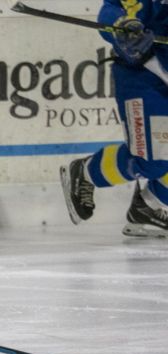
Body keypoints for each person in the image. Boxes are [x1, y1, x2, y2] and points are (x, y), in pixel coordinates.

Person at [60, 0, 168, 237]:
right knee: (152, 161)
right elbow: (111, 10)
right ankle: (86, 172)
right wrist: (125, 28)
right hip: (145, 75)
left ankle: (147, 208)